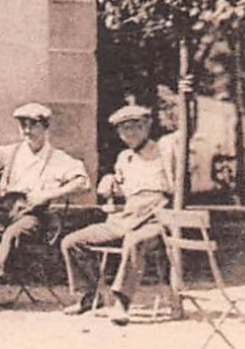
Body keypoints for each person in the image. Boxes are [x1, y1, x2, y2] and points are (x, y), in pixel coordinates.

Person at [0, 102, 89, 311]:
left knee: (11, 234)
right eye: (23, 125)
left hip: (35, 217)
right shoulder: (10, 152)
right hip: (6, 209)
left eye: (33, 125)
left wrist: (49, 193)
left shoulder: (58, 159)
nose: (27, 131)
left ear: (45, 127)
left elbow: (82, 182)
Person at [60, 104, 181, 324]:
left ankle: (121, 302)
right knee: (72, 242)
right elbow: (122, 192)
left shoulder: (164, 150)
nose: (130, 133)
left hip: (156, 218)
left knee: (134, 242)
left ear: (147, 126)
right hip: (125, 216)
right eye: (124, 129)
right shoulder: (124, 157)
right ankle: (91, 295)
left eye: (136, 127)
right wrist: (111, 185)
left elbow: (182, 135)